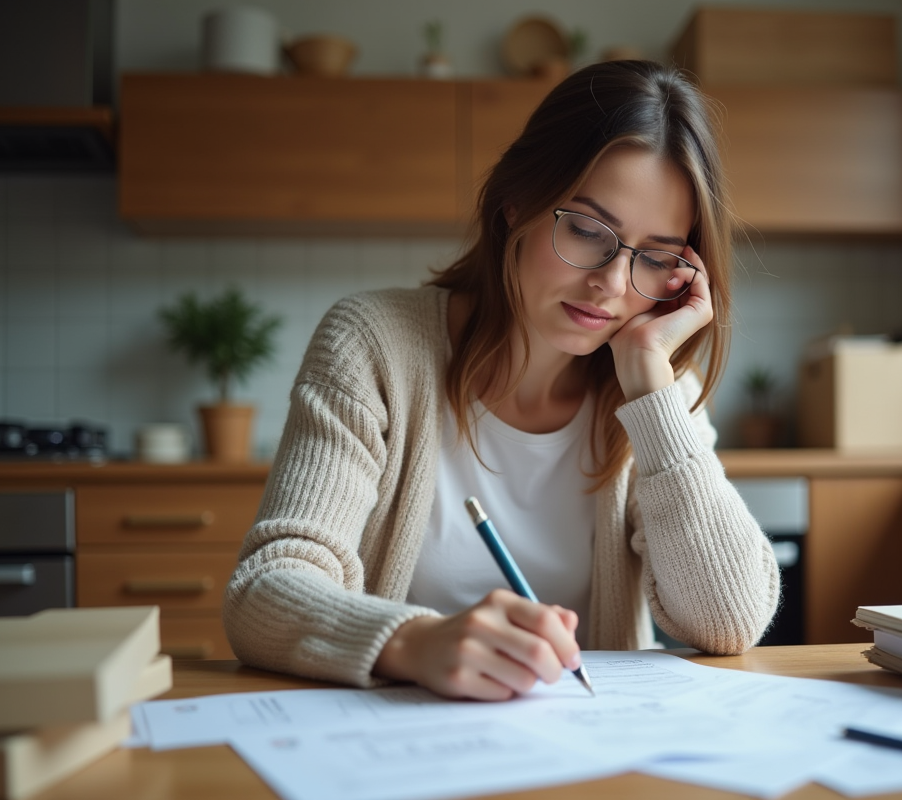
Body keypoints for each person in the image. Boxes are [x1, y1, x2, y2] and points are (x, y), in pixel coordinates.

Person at [223, 60, 781, 700]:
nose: (612, 284)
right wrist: (412, 643)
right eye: (586, 229)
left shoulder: (657, 391)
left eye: (655, 258)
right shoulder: (373, 344)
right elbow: (265, 587)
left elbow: (730, 623)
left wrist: (653, 391)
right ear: (518, 201)